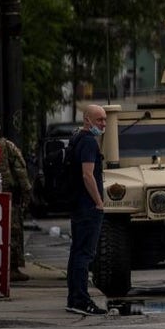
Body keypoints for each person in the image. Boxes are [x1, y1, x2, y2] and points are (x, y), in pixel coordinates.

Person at [66, 105, 108, 316]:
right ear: (87, 120)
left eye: (105, 120)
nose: (103, 124)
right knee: (85, 254)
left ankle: (73, 297)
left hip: (77, 205)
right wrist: (99, 202)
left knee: (76, 253)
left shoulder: (76, 139)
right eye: (99, 120)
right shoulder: (90, 142)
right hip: (88, 207)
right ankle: (81, 300)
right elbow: (87, 175)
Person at [0, 113, 32, 282]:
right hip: (6, 197)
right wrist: (27, 193)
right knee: (12, 232)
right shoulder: (7, 146)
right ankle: (11, 268)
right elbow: (21, 172)